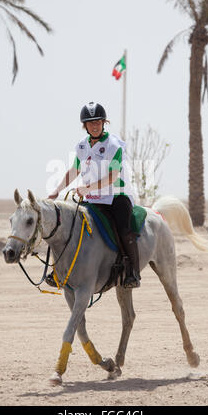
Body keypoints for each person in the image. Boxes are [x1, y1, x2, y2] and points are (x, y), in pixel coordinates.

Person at [48, 101, 141, 288]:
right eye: (91, 123)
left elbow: (113, 176)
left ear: (104, 122)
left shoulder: (114, 145)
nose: (95, 125)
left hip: (117, 196)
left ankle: (132, 272)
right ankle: (59, 270)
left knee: (124, 229)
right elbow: (74, 170)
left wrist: (88, 188)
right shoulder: (82, 146)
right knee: (69, 224)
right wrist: (57, 190)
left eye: (98, 122)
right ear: (85, 126)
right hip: (93, 199)